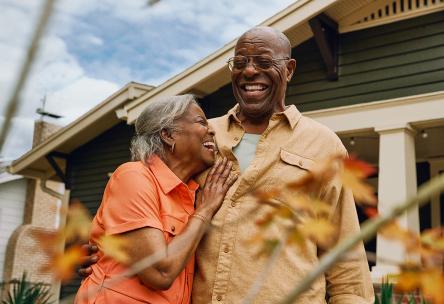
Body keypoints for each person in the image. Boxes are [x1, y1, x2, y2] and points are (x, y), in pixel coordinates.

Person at [80, 27, 374, 303]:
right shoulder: (203, 137)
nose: (249, 70)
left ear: (290, 70)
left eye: (263, 61)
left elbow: (344, 253)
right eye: (240, 62)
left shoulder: (323, 144)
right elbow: (146, 198)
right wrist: (105, 254)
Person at [75, 95, 237, 304]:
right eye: (201, 122)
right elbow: (159, 273)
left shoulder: (191, 194)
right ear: (168, 135)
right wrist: (206, 210)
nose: (212, 130)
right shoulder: (133, 177)